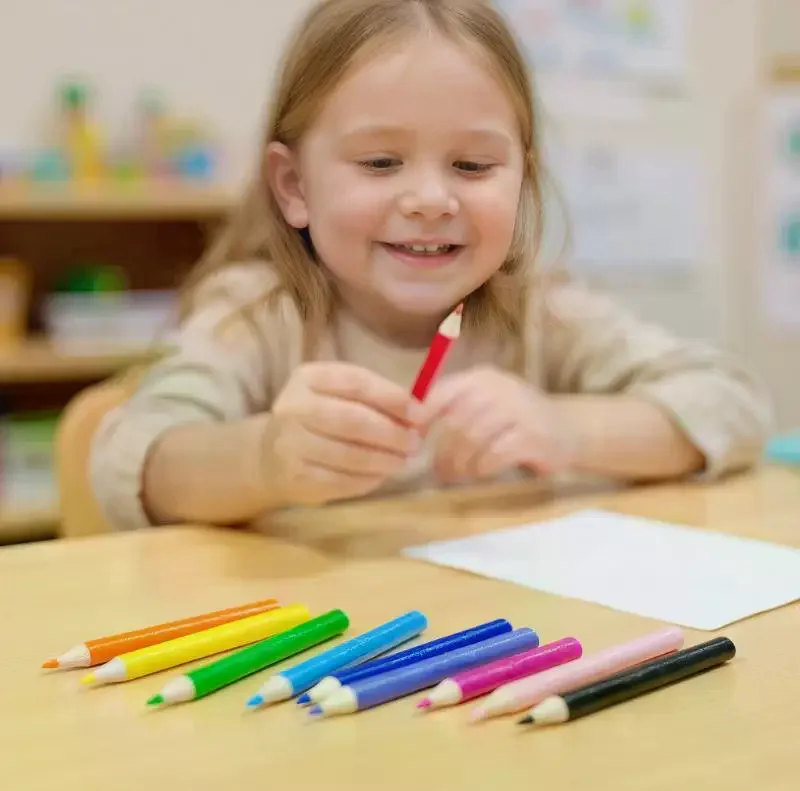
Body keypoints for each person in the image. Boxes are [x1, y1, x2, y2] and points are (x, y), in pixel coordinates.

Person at [90, 0, 772, 533]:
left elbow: (733, 406)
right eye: (381, 163)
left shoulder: (539, 313)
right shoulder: (256, 316)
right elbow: (130, 459)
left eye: (473, 166)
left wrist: (565, 430)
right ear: (295, 185)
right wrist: (266, 458)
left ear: (521, 183)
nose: (430, 199)